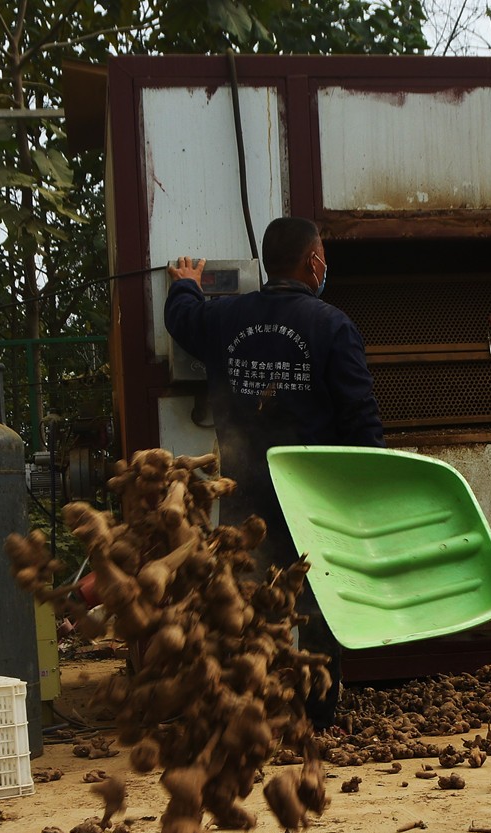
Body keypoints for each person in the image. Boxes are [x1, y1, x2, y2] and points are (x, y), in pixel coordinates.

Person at [163, 216, 384, 729]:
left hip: (246, 497)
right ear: (313, 261)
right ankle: (317, 715)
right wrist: (373, 493)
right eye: (323, 254)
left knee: (251, 601)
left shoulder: (225, 318)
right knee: (319, 600)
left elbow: (183, 319)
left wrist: (186, 287)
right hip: (315, 500)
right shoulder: (332, 327)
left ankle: (252, 710)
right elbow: (362, 419)